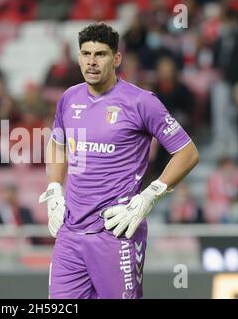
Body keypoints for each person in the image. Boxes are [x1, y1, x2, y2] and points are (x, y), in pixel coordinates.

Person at [39, 23, 199, 299]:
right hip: (70, 234)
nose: (91, 62)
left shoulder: (140, 102)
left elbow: (187, 153)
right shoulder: (69, 99)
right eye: (85, 53)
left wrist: (149, 197)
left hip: (116, 231)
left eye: (100, 54)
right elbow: (57, 143)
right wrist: (54, 189)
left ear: (116, 59)